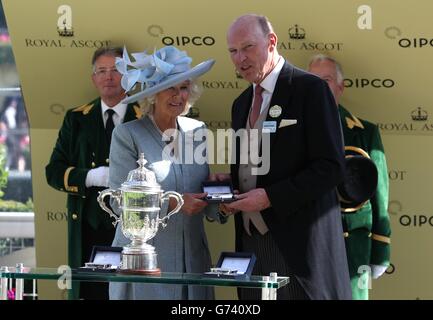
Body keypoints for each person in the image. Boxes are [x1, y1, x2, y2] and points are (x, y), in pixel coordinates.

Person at [220, 14, 352, 300]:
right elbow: (258, 167)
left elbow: (331, 167)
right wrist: (229, 184)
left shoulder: (311, 90)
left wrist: (270, 196)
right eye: (233, 51)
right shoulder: (241, 103)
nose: (240, 58)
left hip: (299, 251)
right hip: (251, 246)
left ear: (271, 42)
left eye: (247, 47)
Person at [108, 45, 224, 300]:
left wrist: (220, 198)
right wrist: (176, 203)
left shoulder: (197, 131)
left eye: (184, 88)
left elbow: (199, 191)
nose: (178, 95)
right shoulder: (127, 135)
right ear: (153, 95)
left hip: (193, 262)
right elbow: (119, 201)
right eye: (170, 88)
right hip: (145, 264)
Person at [45, 46, 142, 300]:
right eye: (102, 71)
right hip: (87, 231)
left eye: (116, 70)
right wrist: (90, 177)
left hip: (131, 231)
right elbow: (54, 171)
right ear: (93, 78)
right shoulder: (76, 119)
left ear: (129, 76)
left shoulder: (145, 118)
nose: (108, 77)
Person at [308, 54, 391, 300]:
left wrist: (380, 252)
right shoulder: (292, 130)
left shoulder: (365, 133)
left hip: (352, 249)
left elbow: (380, 196)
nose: (320, 88)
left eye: (327, 80)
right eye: (313, 81)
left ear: (341, 87)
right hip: (309, 244)